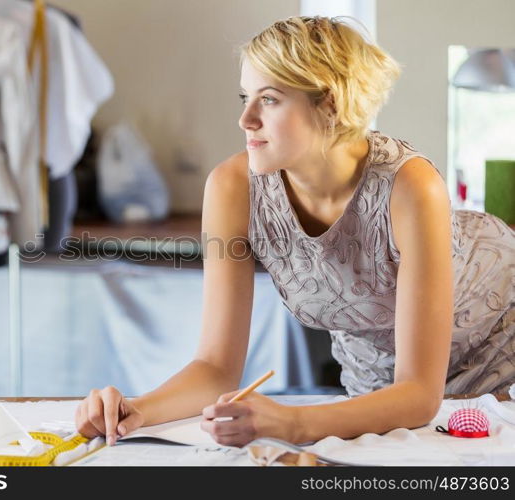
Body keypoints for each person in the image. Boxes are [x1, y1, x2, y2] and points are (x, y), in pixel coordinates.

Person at [74, 16, 515, 447]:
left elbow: (420, 394)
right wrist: (138, 410)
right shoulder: (232, 188)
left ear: (331, 103)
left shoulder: (411, 186)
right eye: (244, 96)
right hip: (381, 385)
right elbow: (214, 366)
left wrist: (292, 423)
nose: (246, 119)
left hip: (499, 346)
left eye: (269, 99)